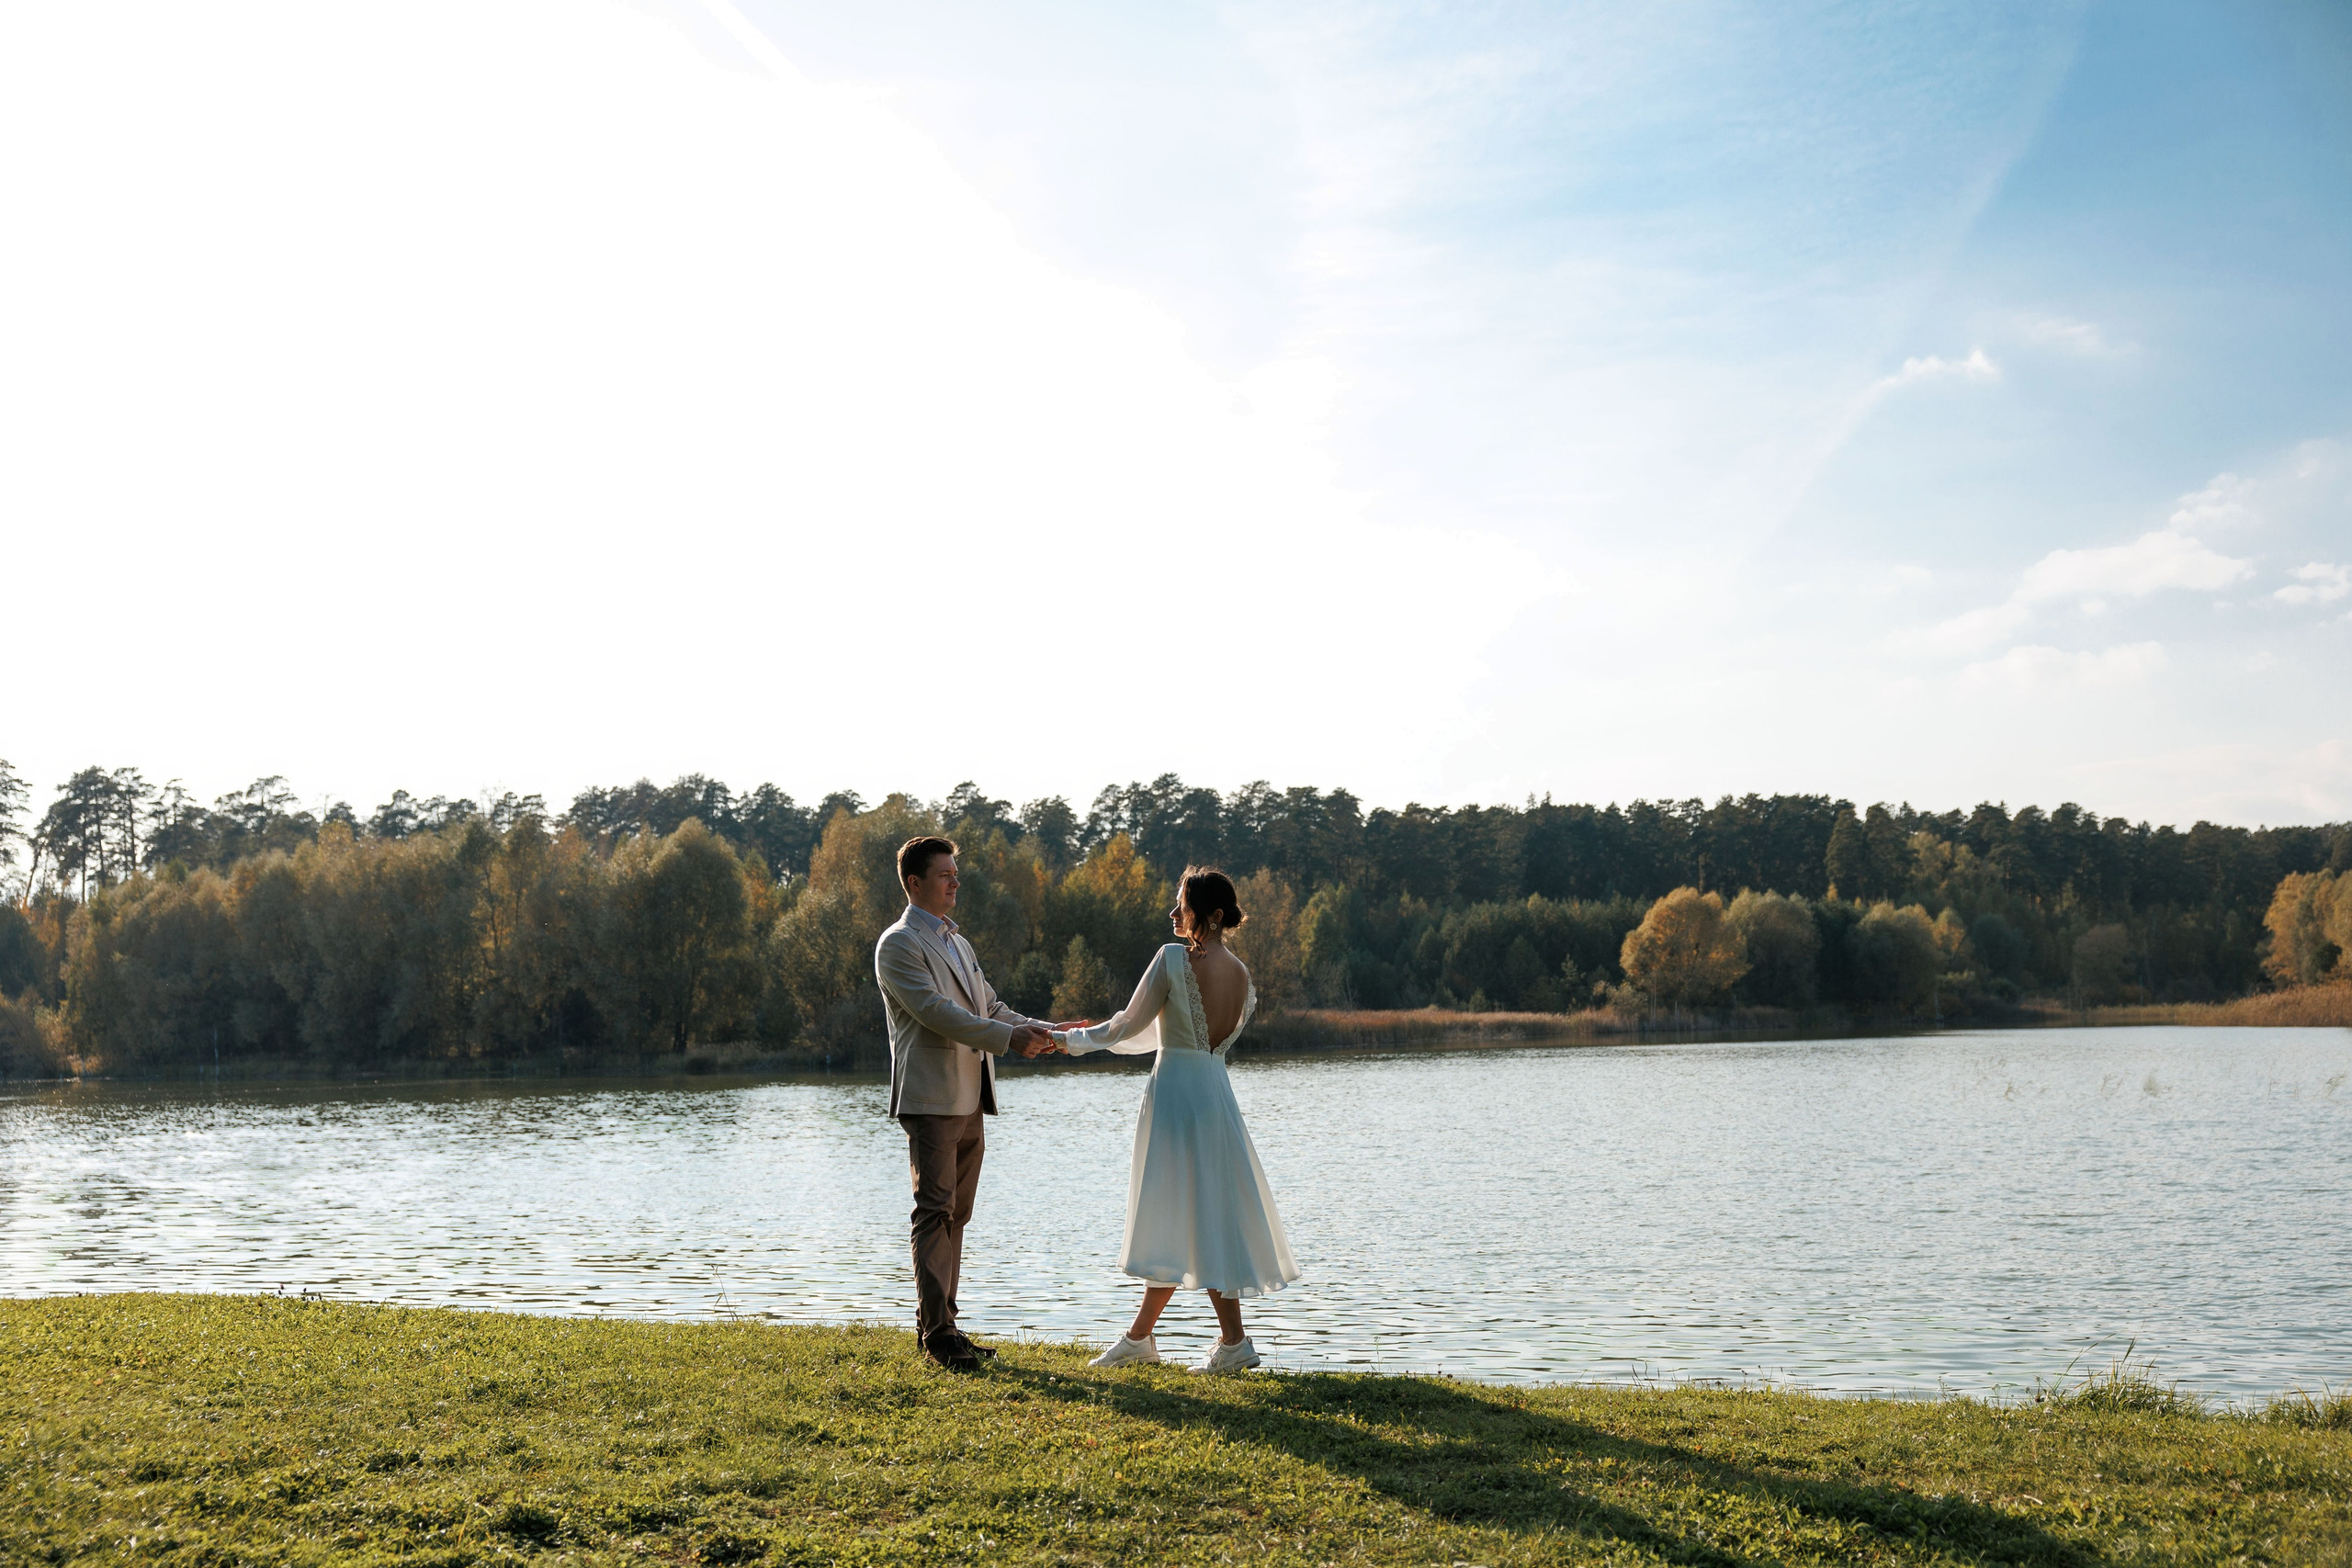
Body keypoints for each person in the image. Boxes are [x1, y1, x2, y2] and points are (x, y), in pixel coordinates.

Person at [1054, 866, 1299, 1373]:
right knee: (1204, 1212)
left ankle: (1210, 1342)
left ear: (1206, 914)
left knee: (1179, 1209)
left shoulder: (1172, 959)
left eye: (1180, 904)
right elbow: (1154, 1034)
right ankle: (1174, 1339)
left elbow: (1127, 1025)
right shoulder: (1242, 974)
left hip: (1176, 1100)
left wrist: (1069, 1040)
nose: (1172, 914)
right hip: (1215, 1096)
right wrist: (1091, 1037)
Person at [874, 834, 1082, 1372]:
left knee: (956, 1216)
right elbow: (937, 1012)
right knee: (934, 1211)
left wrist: (1046, 1029)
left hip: (970, 1095)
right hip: (932, 1097)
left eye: (955, 873)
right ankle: (937, 1334)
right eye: (944, 874)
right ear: (914, 883)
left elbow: (991, 1006)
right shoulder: (898, 944)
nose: (954, 882)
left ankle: (945, 1325)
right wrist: (1006, 1039)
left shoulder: (957, 943)